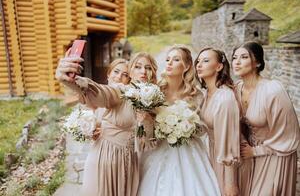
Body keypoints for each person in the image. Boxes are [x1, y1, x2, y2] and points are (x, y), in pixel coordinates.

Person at [55, 51, 157, 196]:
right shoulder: (120, 92)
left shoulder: (153, 100)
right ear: (132, 72)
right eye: (138, 67)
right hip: (107, 156)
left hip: (131, 162)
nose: (143, 71)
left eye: (148, 68)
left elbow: (148, 142)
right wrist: (71, 80)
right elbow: (99, 92)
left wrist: (146, 120)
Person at [137, 45, 221, 196]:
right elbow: (145, 122)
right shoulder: (155, 91)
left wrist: (187, 127)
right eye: (168, 59)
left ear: (187, 66)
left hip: (189, 151)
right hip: (159, 150)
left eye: (176, 60)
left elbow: (202, 130)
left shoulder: (196, 95)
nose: (169, 63)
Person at [232, 41, 300, 196]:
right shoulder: (236, 89)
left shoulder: (273, 90)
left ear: (258, 62)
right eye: (235, 57)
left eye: (244, 57)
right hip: (248, 157)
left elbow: (289, 133)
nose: (237, 62)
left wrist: (257, 151)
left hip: (275, 154)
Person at [194, 48, 240, 196]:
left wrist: (230, 183)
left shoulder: (224, 98)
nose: (199, 65)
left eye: (206, 61)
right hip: (211, 154)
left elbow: (229, 142)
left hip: (224, 161)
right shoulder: (207, 94)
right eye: (198, 61)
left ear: (219, 67)